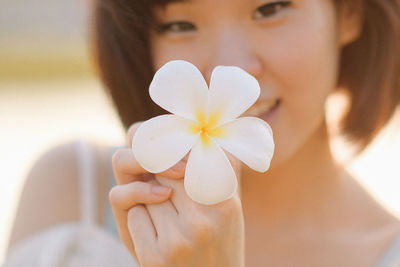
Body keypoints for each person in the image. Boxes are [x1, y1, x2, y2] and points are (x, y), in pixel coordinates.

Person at [4, 0, 400, 266]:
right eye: (180, 24)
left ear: (349, 12)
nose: (232, 67)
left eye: (270, 7)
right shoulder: (74, 192)